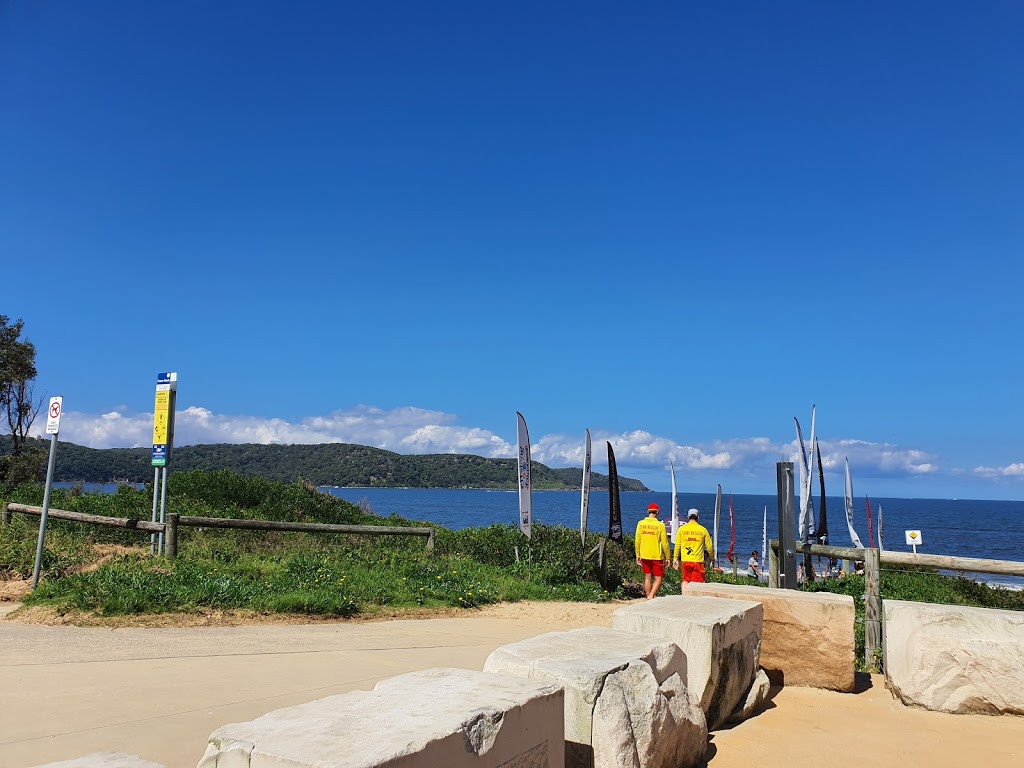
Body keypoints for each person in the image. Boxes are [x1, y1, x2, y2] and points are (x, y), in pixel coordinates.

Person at [634, 502, 670, 599]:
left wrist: (637, 555)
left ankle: (649, 597)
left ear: (648, 512)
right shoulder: (660, 525)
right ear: (657, 512)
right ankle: (651, 596)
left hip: (644, 554)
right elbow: (665, 543)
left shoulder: (640, 524)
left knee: (647, 578)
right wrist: (668, 557)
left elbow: (637, 541)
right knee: (658, 578)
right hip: (656, 555)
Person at [673, 508, 714, 585]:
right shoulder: (703, 530)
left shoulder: (681, 529)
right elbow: (709, 547)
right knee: (698, 583)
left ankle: (684, 595)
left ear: (688, 517)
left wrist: (675, 559)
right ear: (698, 517)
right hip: (697, 561)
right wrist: (712, 558)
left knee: (685, 581)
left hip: (685, 560)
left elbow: (677, 546)